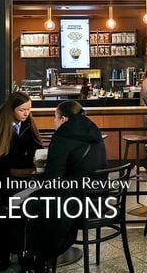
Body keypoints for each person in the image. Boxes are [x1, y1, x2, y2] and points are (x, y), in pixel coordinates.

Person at [24, 100, 107, 270]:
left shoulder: (62, 137)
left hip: (76, 205)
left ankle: (36, 257)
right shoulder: (94, 132)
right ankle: (41, 255)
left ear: (63, 119)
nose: (54, 121)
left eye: (55, 117)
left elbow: (52, 181)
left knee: (30, 204)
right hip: (99, 201)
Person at [0, 92, 43, 178]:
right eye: (22, 110)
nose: (26, 113)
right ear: (11, 110)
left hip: (18, 174)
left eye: (29, 109)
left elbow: (36, 147)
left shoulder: (27, 124)